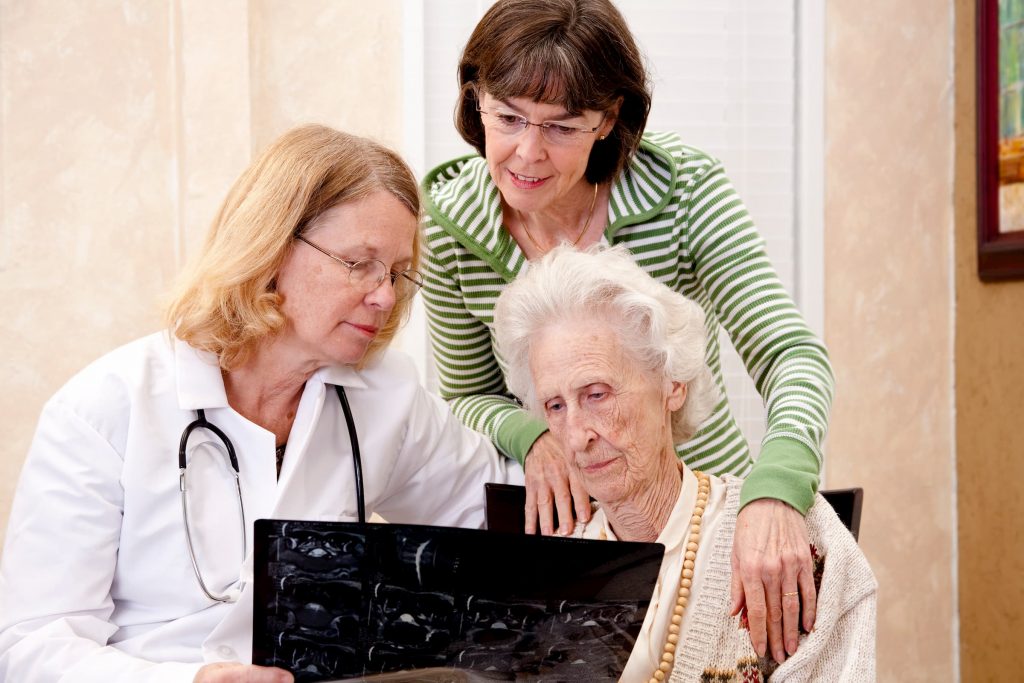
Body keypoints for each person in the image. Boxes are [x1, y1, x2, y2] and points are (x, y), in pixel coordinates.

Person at [0, 125, 518, 683]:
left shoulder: (384, 392)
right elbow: (33, 645)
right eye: (359, 263)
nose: (386, 295)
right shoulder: (105, 408)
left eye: (396, 272)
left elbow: (499, 517)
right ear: (271, 248)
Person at [420, 0, 834, 662]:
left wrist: (778, 490)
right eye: (507, 117)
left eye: (561, 127)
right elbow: (468, 393)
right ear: (477, 101)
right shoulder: (448, 221)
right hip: (571, 546)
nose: (526, 152)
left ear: (608, 118)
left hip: (708, 524)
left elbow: (791, 354)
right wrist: (535, 437)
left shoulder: (683, 192)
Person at [492, 246, 875, 682]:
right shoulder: (543, 580)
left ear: (672, 385)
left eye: (597, 395)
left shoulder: (794, 543)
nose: (577, 436)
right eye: (555, 406)